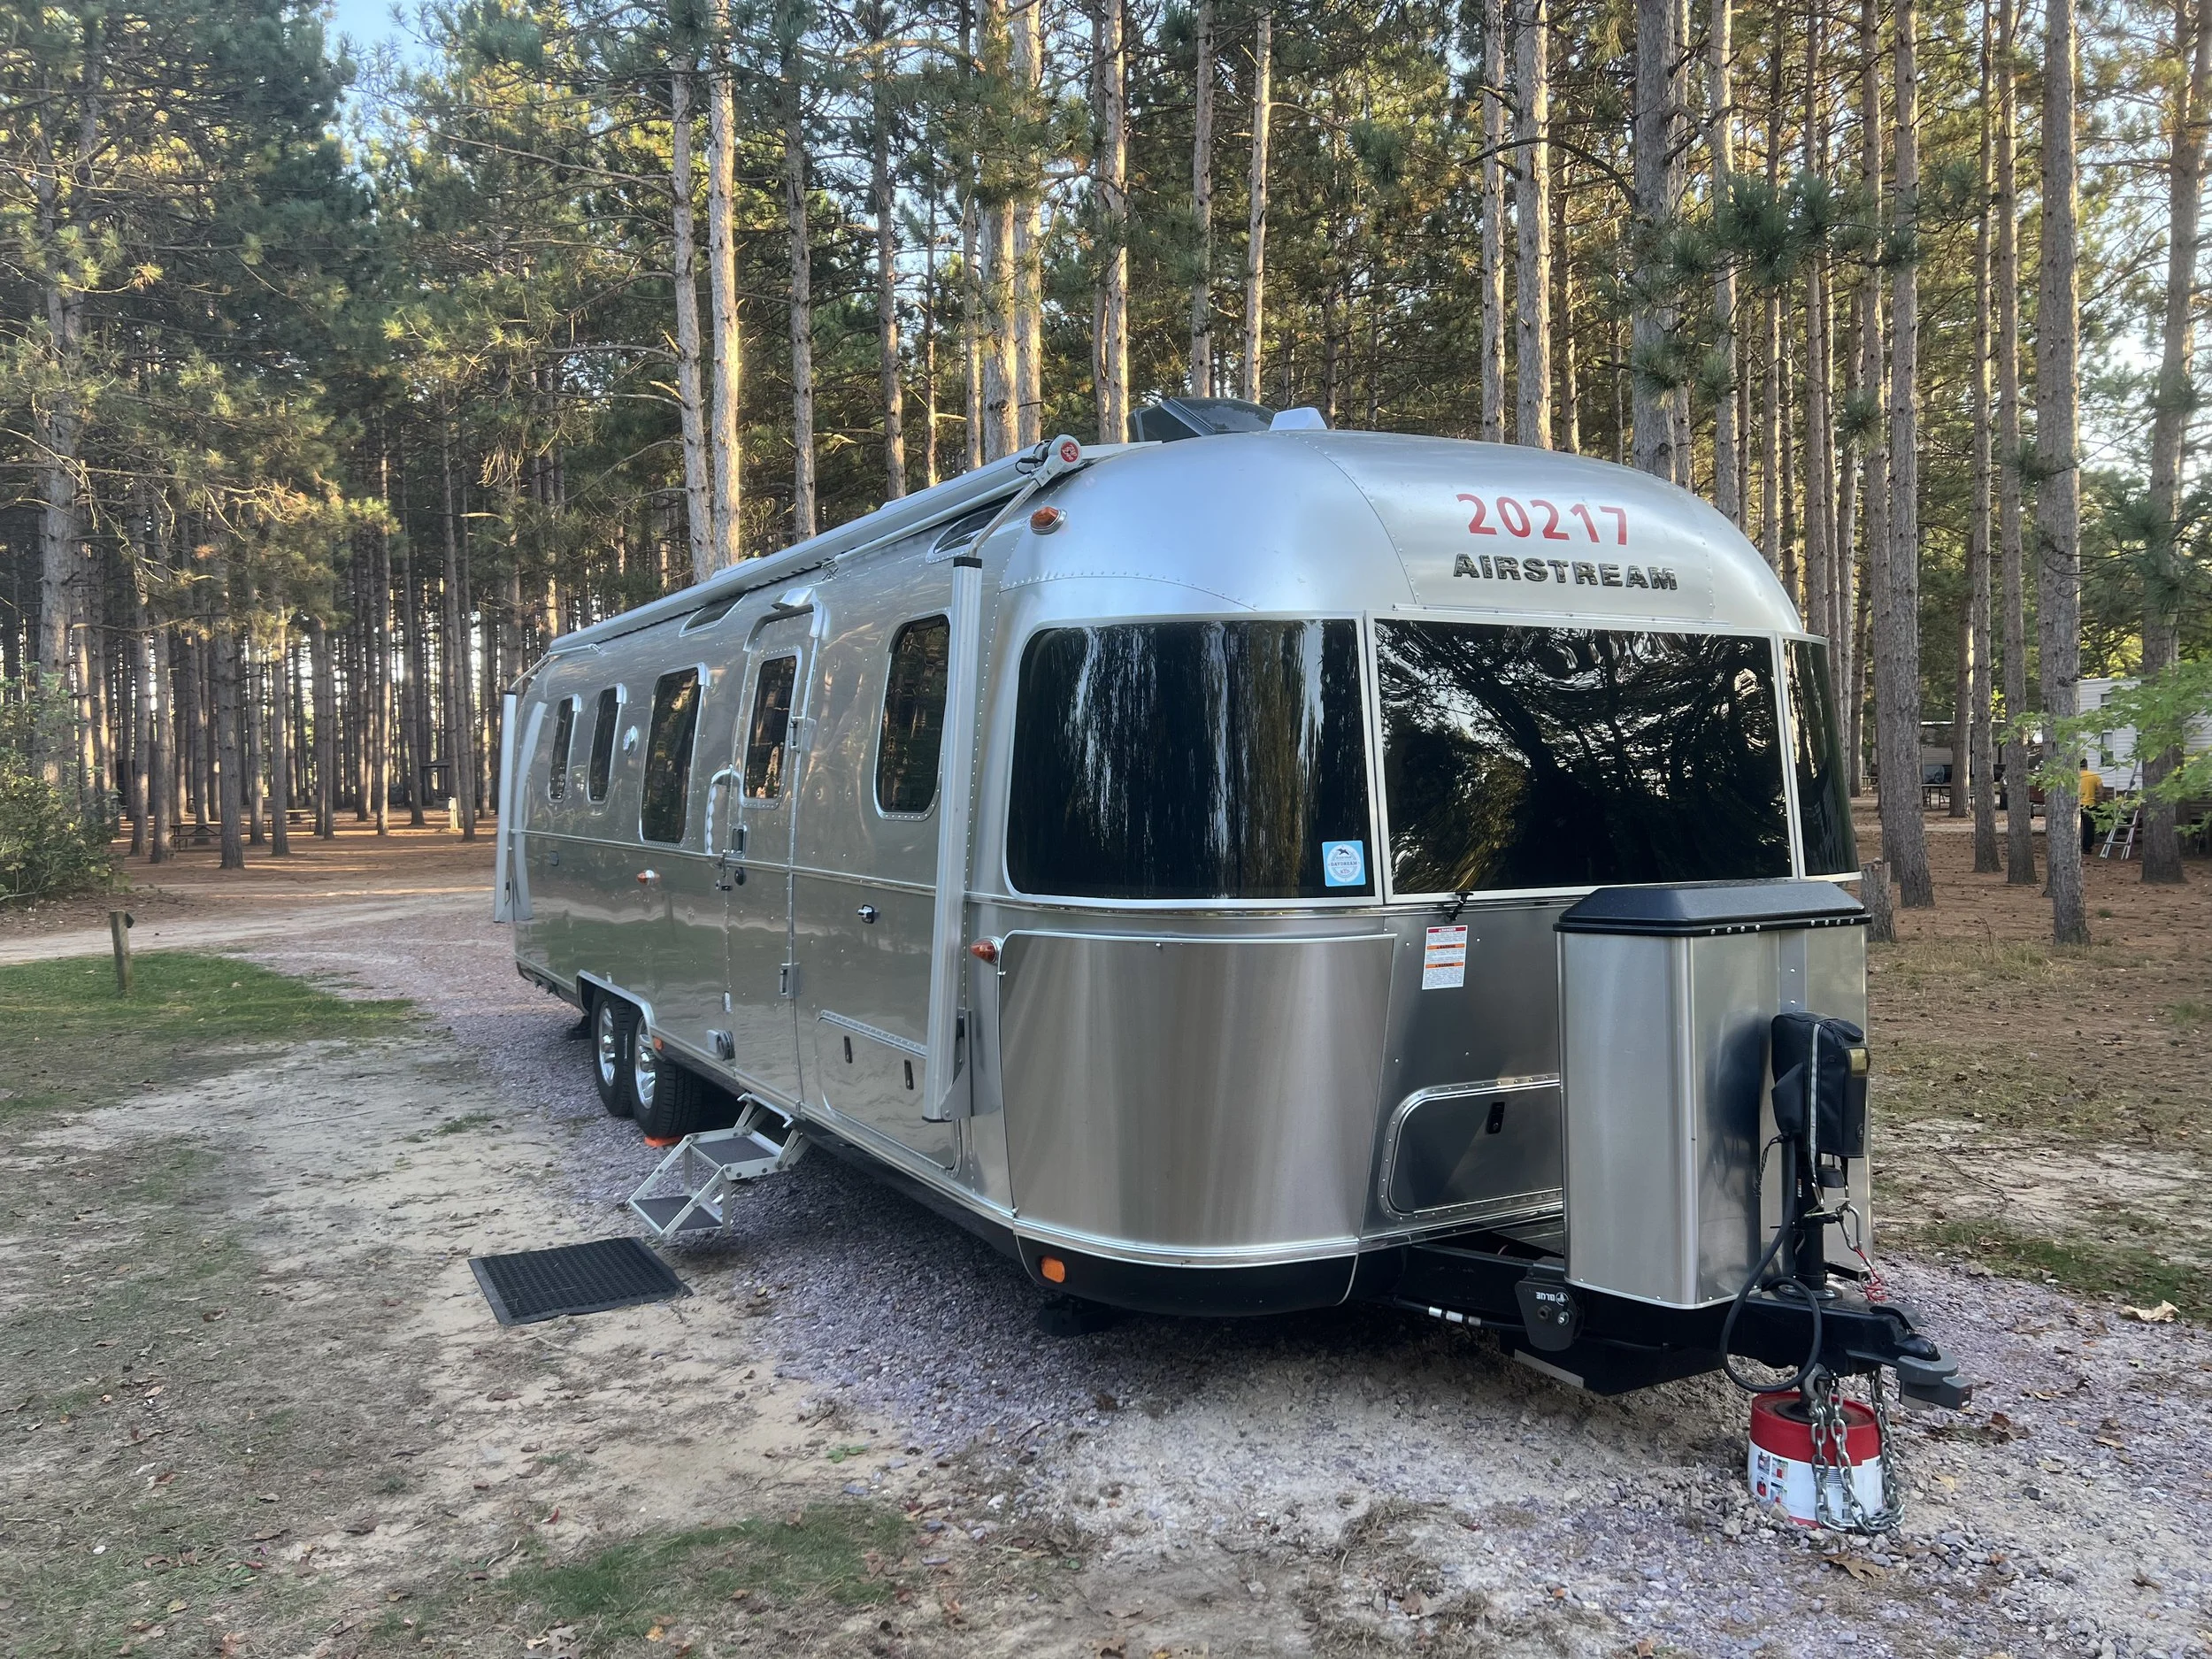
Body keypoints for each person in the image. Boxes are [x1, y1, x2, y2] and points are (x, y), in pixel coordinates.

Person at [2079, 764, 2103, 853]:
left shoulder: (2073, 776)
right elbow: (2101, 792)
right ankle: (2087, 848)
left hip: (2076, 805)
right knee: (2088, 828)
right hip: (2090, 805)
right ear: (2087, 765)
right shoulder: (2094, 776)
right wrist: (2101, 802)